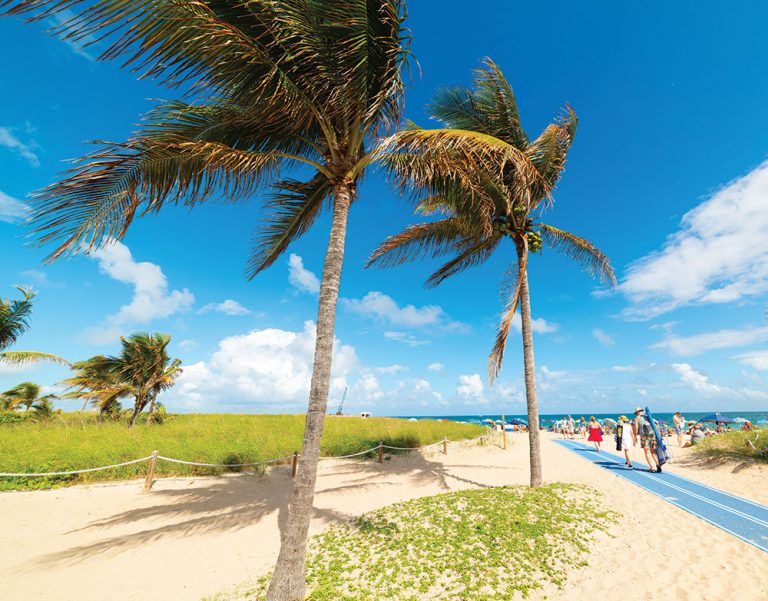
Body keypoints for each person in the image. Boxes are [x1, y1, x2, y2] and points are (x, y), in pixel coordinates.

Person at [632, 407, 661, 472]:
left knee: (647, 452)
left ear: (637, 412)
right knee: (653, 451)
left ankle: (652, 468)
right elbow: (655, 425)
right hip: (652, 435)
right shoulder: (648, 417)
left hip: (644, 436)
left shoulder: (636, 418)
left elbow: (636, 429)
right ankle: (658, 464)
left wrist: (635, 436)